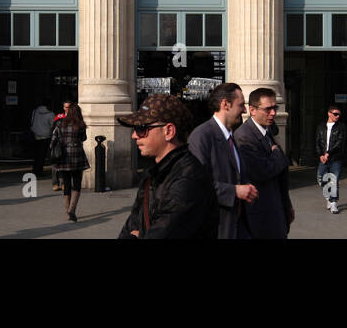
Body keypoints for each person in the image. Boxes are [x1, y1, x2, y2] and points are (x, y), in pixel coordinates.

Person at [117, 94, 217, 240]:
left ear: (169, 131)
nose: (134, 135)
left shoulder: (189, 179)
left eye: (141, 128)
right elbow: (132, 224)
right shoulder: (153, 174)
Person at [188, 82, 257, 238]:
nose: (244, 110)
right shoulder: (201, 136)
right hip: (216, 228)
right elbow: (196, 185)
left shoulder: (232, 136)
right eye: (241, 105)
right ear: (226, 104)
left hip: (238, 227)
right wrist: (235, 191)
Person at [234, 88, 293, 239]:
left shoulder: (267, 131)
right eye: (268, 109)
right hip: (260, 216)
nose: (273, 113)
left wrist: (287, 206)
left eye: (275, 108)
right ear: (252, 110)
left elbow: (279, 173)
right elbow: (262, 171)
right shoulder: (243, 137)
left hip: (276, 210)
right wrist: (277, 154)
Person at [47, 102, 89, 222]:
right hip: (77, 157)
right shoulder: (80, 125)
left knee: (66, 183)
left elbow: (53, 141)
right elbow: (83, 138)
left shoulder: (60, 123)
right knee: (77, 184)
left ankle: (67, 212)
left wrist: (55, 150)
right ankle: (72, 210)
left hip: (63, 157)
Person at [315, 104, 347, 214]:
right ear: (329, 113)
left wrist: (328, 153)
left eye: (339, 114)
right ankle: (328, 197)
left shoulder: (341, 127)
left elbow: (339, 142)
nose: (337, 116)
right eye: (335, 114)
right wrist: (321, 155)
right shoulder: (321, 126)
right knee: (321, 178)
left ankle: (333, 203)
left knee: (334, 180)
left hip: (336, 158)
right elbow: (318, 142)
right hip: (323, 158)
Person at [30, 102, 55, 180]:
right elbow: (53, 125)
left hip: (35, 135)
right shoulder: (51, 114)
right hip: (46, 136)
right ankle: (39, 171)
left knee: (37, 154)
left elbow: (32, 121)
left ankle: (35, 170)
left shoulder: (35, 111)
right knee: (43, 155)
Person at [51, 100, 71, 191]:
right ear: (63, 108)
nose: (68, 109)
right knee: (55, 165)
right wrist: (52, 145)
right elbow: (53, 130)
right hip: (59, 144)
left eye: (69, 107)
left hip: (68, 144)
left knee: (66, 166)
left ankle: (64, 183)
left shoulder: (74, 117)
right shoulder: (59, 117)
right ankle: (55, 184)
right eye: (66, 107)